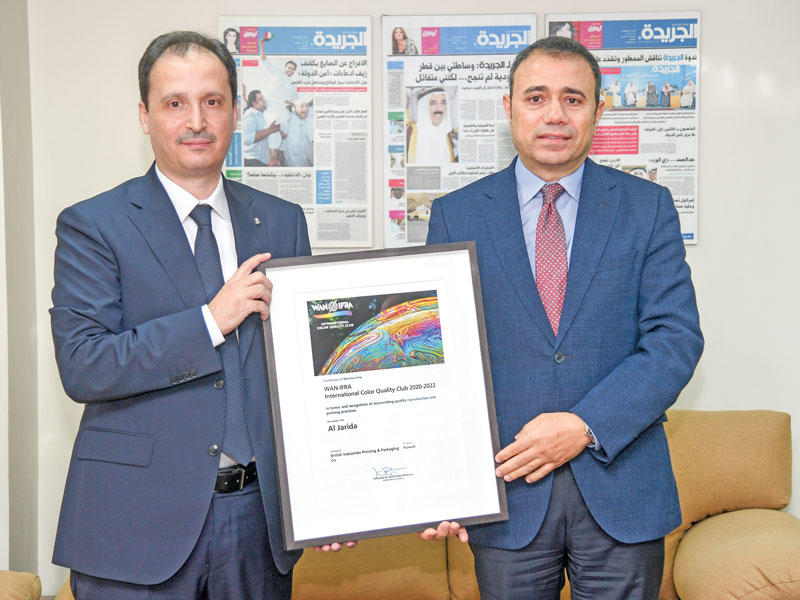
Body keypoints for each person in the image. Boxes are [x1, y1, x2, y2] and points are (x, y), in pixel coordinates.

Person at [50, 30, 350, 600]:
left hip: (257, 524)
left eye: (212, 101)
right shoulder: (94, 225)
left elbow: (306, 375)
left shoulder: (281, 221)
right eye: (174, 103)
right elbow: (84, 365)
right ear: (145, 116)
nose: (196, 121)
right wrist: (211, 320)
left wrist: (329, 489)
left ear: (235, 111)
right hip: (136, 526)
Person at [422, 36, 702, 599]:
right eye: (536, 98)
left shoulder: (646, 207)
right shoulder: (456, 215)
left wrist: (583, 426)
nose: (555, 114)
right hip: (506, 493)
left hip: (622, 488)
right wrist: (443, 476)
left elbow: (674, 340)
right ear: (509, 109)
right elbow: (439, 356)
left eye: (573, 99)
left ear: (598, 111)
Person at [406, 87, 458, 164]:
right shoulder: (410, 131)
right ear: (424, 107)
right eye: (433, 103)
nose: (439, 108)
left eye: (443, 103)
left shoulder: (447, 134)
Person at [242, 89, 283, 166]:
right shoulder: (250, 116)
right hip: (252, 161)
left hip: (262, 160)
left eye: (263, 98)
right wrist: (270, 130)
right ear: (254, 103)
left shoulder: (262, 115)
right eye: (260, 99)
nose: (264, 100)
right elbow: (246, 139)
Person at [283, 99, 314, 167]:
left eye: (306, 106)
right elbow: (283, 134)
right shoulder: (289, 117)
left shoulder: (310, 116)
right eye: (302, 106)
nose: (305, 109)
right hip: (294, 161)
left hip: (309, 160)